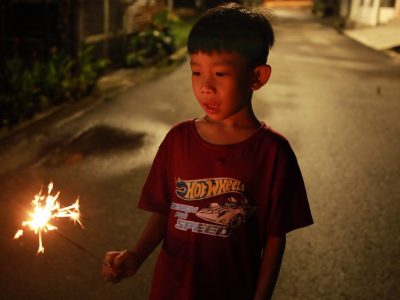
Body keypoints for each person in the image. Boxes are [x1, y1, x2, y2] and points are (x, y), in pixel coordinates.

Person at [102, 3, 313, 300]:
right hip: (170, 290)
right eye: (196, 72)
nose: (205, 88)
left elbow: (275, 238)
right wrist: (136, 256)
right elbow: (166, 210)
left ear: (257, 77)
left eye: (221, 74)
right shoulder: (177, 140)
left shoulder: (273, 153)